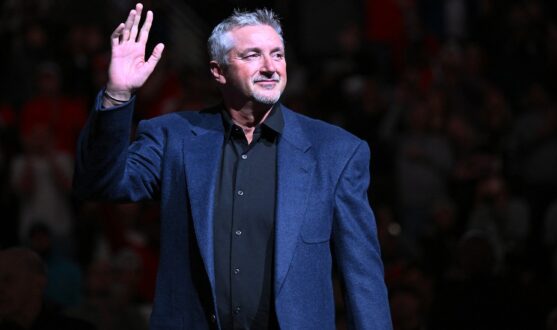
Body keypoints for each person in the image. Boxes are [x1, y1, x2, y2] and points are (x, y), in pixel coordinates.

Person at [73, 4, 392, 329]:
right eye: (253, 55)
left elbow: (362, 274)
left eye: (277, 55)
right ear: (218, 70)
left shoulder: (335, 151)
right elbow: (99, 184)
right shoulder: (173, 137)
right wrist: (118, 94)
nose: (271, 67)